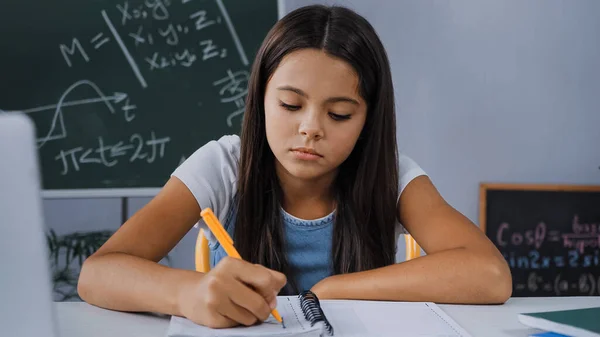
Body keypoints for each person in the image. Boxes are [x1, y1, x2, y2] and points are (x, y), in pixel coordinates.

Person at [78, 4, 512, 329]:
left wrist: (329, 292)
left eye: (339, 114)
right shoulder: (224, 165)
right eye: (289, 104)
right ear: (260, 101)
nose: (310, 129)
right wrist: (188, 293)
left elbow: (489, 275)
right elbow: (99, 273)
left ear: (368, 121)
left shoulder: (390, 176)